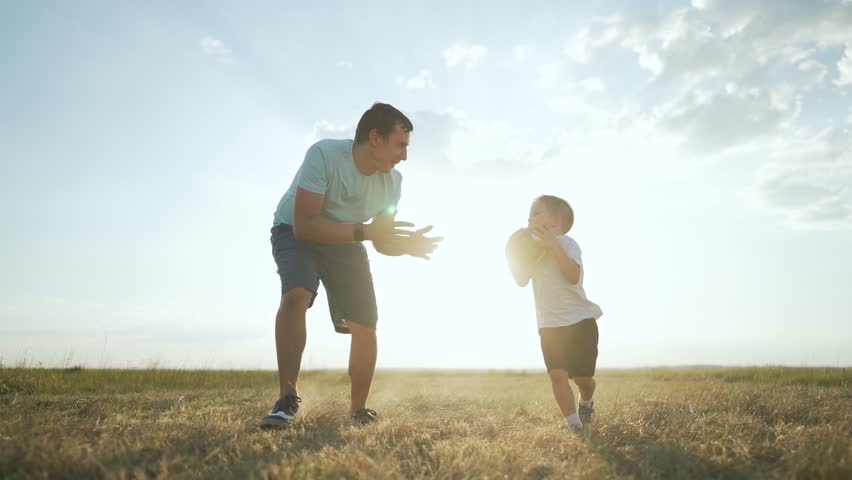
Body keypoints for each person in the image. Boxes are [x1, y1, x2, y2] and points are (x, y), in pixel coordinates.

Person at [262, 103, 442, 428]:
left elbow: (381, 239)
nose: (404, 156)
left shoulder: (393, 182)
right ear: (375, 137)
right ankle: (286, 399)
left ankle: (358, 411)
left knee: (365, 324)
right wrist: (367, 232)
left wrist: (405, 247)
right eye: (400, 145)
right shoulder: (324, 155)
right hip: (295, 231)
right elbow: (305, 226)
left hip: (347, 241)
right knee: (297, 295)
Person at [506, 195, 602, 432]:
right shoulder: (531, 250)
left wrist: (553, 246)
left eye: (536, 213)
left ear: (555, 220)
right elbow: (520, 280)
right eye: (529, 215)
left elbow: (572, 276)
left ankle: (586, 401)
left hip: (580, 320)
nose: (530, 218)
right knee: (557, 375)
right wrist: (515, 254)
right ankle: (575, 426)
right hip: (549, 324)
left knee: (582, 380)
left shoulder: (568, 243)